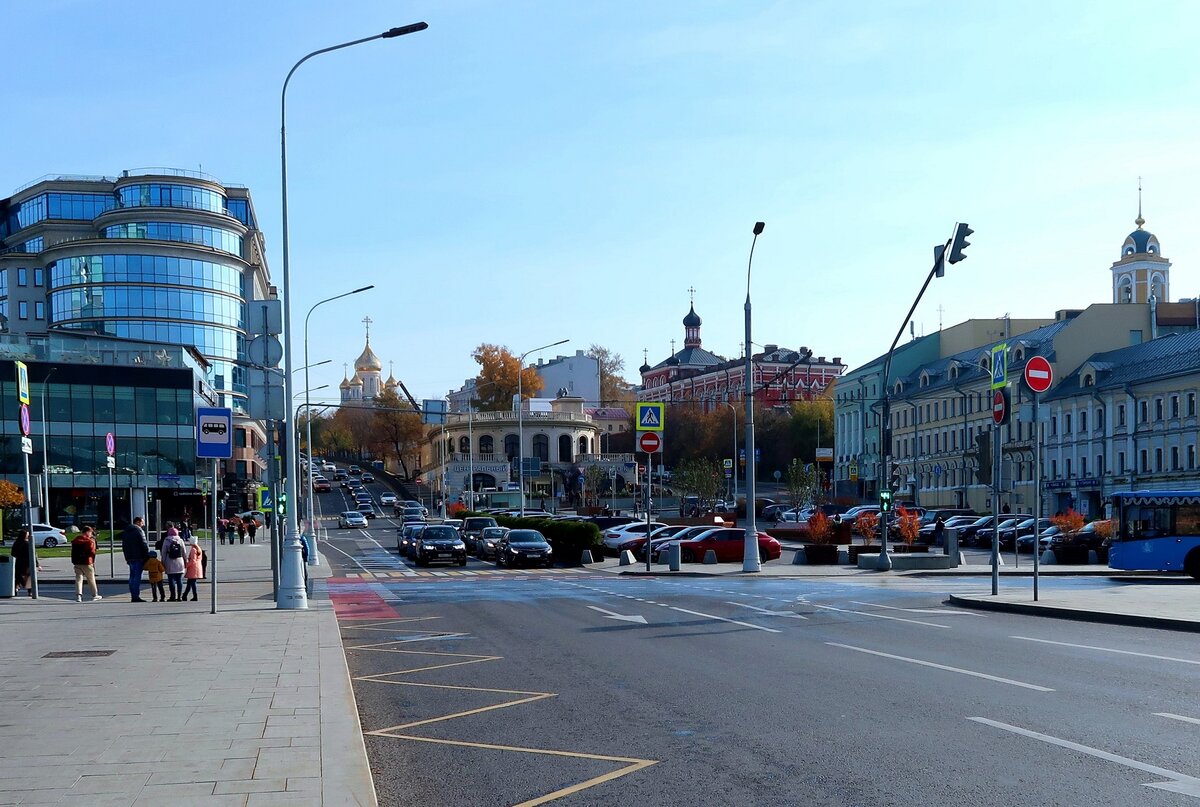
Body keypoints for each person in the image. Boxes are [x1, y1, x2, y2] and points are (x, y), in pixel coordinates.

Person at [121, 516, 150, 602]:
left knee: (132, 576)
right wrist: (146, 555)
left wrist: (127, 557)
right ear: (138, 522)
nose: (143, 524)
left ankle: (133, 594)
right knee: (137, 576)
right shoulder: (139, 530)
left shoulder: (126, 531)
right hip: (139, 557)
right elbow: (144, 544)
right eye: (142, 522)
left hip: (130, 557)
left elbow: (124, 545)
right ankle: (135, 596)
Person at [71, 525, 102, 603]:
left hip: (77, 562)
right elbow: (92, 552)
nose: (91, 534)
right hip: (87, 562)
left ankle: (78, 596)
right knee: (91, 579)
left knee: (78, 579)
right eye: (91, 532)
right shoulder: (90, 541)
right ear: (88, 532)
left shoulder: (76, 540)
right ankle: (95, 595)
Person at [161, 526, 186, 602]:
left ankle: (172, 596)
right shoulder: (180, 540)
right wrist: (185, 560)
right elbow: (184, 552)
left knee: (171, 579)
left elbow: (163, 552)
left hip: (169, 561)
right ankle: (179, 596)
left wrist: (163, 561)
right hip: (179, 561)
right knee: (179, 580)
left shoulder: (166, 540)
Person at [11, 529, 31, 596]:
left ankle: (16, 588)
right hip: (26, 563)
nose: (28, 536)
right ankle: (30, 591)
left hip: (18, 562)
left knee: (18, 576)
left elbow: (13, 553)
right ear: (24, 535)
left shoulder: (16, 543)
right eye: (27, 534)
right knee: (28, 577)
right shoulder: (27, 544)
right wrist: (37, 564)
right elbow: (31, 555)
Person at [182, 537, 202, 602]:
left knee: (192, 582)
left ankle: (194, 596)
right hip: (197, 567)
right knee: (190, 582)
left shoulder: (193, 549)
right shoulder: (198, 548)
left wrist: (186, 565)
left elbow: (193, 560)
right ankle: (185, 595)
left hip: (193, 568)